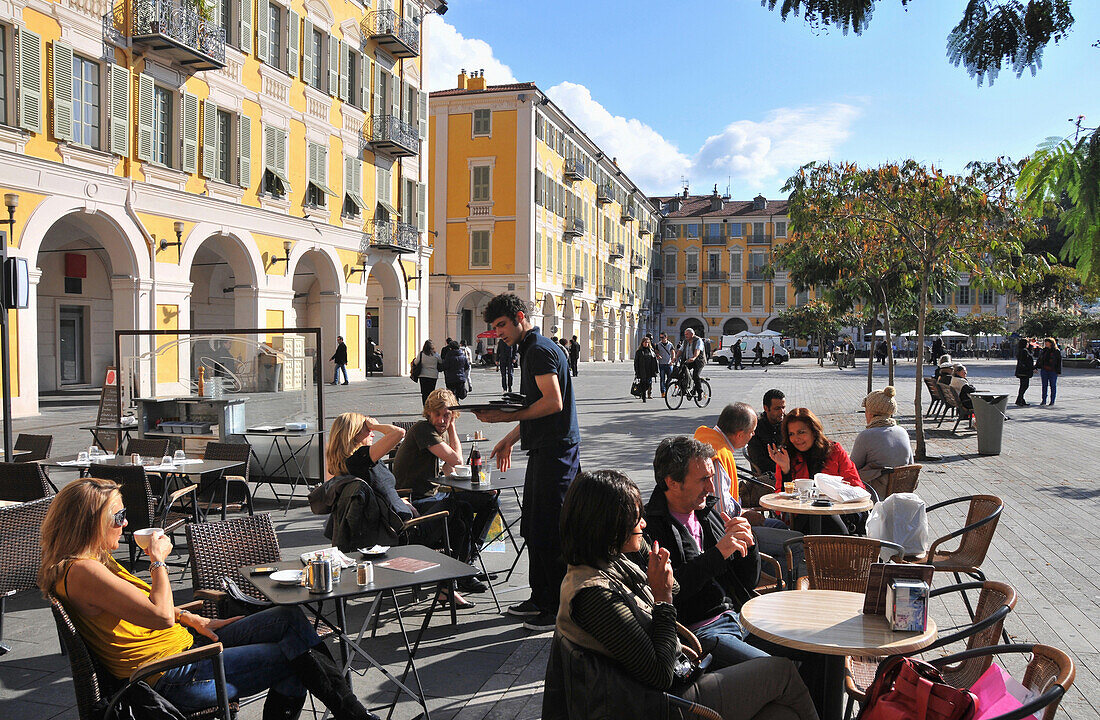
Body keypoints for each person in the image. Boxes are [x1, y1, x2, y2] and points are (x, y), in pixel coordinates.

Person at [41, 478, 379, 720]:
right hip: (171, 675)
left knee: (288, 619)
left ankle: (353, 715)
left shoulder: (93, 560)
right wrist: (157, 560)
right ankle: (356, 716)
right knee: (296, 657)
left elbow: (137, 607)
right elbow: (159, 616)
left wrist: (194, 618)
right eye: (117, 516)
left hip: (187, 646)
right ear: (88, 523)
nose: (126, 522)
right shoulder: (82, 571)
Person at [557, 470, 818, 720]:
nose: (644, 524)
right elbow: (660, 674)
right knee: (781, 671)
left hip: (672, 685)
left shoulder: (613, 558)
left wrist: (659, 569)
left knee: (783, 715)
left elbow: (679, 586)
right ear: (609, 526)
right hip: (663, 704)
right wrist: (662, 598)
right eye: (636, 520)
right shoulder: (593, 594)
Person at [473, 293, 581, 631]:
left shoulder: (537, 350)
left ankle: (555, 607)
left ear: (520, 317)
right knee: (534, 527)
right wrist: (509, 438)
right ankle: (540, 596)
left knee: (549, 531)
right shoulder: (533, 348)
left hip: (557, 453)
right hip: (546, 450)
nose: (499, 333)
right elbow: (538, 406)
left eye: (502, 325)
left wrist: (506, 420)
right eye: (495, 328)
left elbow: (552, 402)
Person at [324, 412, 478, 607]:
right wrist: (377, 425)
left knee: (460, 517)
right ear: (354, 434)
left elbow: (375, 494)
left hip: (398, 519)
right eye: (367, 429)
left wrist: (398, 499)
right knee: (458, 506)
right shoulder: (360, 459)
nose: (372, 432)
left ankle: (449, 582)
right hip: (405, 532)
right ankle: (452, 579)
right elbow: (398, 433)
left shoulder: (350, 463)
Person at [390, 390, 498, 595]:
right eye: (437, 414)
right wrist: (453, 429)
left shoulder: (435, 434)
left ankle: (468, 562)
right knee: (461, 507)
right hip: (414, 501)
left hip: (433, 496)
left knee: (490, 499)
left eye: (447, 415)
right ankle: (463, 572)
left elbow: (450, 470)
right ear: (428, 414)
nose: (442, 420)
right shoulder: (423, 430)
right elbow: (456, 460)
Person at [767, 408, 866, 535]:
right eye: (791, 434)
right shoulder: (787, 456)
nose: (796, 439)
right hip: (803, 516)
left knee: (826, 516)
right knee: (817, 516)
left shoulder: (835, 451)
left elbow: (856, 486)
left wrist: (833, 492)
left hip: (838, 512)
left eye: (801, 432)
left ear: (814, 431)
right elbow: (780, 503)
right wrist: (786, 470)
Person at [850, 386, 914, 493]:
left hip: (874, 493)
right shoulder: (902, 432)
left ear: (870, 413)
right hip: (901, 491)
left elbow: (852, 468)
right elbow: (911, 465)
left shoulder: (866, 436)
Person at [745, 389, 785, 475]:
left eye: (783, 407)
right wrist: (782, 468)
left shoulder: (788, 423)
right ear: (766, 408)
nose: (782, 412)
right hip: (769, 474)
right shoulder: (756, 428)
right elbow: (759, 460)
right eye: (777, 408)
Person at [677, 328, 706, 397]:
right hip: (688, 360)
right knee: (681, 372)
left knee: (695, 375)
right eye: (685, 334)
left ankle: (700, 392)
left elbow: (697, 350)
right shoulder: (685, 341)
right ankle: (683, 389)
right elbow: (681, 350)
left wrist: (694, 357)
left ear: (692, 334)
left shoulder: (698, 340)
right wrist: (676, 357)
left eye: (687, 334)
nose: (685, 335)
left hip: (698, 361)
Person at [413, 340, 443, 405]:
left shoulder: (421, 354)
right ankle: (430, 406)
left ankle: (425, 406)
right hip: (433, 375)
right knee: (431, 392)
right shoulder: (436, 355)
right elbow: (441, 362)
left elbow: (416, 362)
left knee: (424, 393)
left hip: (423, 375)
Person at [1038, 337, 1062, 406]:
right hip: (1044, 370)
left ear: (1051, 343)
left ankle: (1052, 401)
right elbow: (1040, 359)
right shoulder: (1044, 350)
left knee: (1053, 386)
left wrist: (1058, 371)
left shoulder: (1056, 351)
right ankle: (1044, 400)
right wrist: (1037, 366)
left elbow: (1058, 361)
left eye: (1047, 342)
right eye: (1045, 342)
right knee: (1044, 385)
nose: (1045, 343)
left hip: (1053, 370)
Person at [633, 337, 658, 402]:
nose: (646, 344)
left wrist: (656, 370)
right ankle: (644, 397)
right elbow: (636, 362)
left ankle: (641, 391)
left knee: (648, 383)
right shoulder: (639, 351)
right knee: (643, 383)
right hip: (642, 370)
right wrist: (637, 371)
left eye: (647, 342)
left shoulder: (651, 350)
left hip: (649, 370)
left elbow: (654, 360)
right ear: (642, 343)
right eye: (645, 342)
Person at [655, 332, 675, 397]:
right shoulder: (658, 344)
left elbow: (673, 353)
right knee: (662, 378)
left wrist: (672, 361)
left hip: (669, 364)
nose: (661, 339)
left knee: (670, 377)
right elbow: (656, 352)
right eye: (660, 337)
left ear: (666, 337)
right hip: (662, 364)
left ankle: (666, 386)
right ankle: (663, 392)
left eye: (662, 337)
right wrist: (658, 355)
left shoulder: (670, 344)